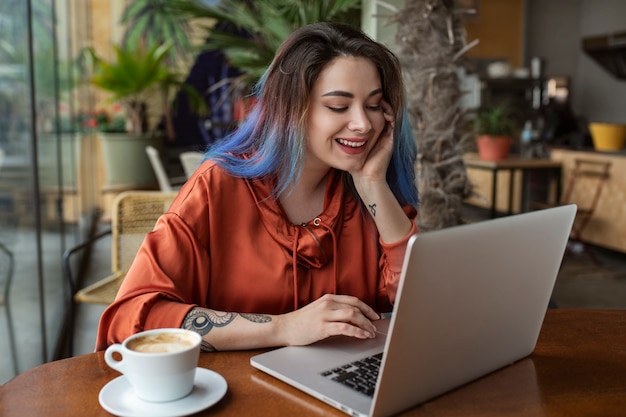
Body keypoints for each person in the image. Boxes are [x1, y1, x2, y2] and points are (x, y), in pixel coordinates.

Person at [96, 22, 419, 352]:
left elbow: (419, 306)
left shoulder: (369, 189)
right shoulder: (218, 186)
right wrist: (283, 328)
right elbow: (135, 317)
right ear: (291, 109)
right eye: (338, 106)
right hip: (237, 394)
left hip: (338, 392)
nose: (363, 124)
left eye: (374, 105)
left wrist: (372, 184)